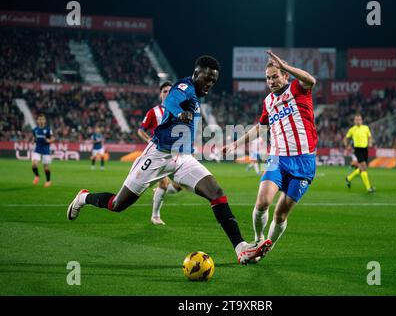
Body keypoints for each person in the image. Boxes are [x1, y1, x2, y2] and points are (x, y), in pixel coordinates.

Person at [67, 55, 272, 264]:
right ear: (196, 74)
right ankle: (84, 198)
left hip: (182, 158)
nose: (210, 84)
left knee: (217, 193)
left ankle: (241, 248)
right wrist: (181, 113)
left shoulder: (196, 95)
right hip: (158, 156)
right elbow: (171, 101)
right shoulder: (185, 86)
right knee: (117, 204)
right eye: (207, 79)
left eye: (213, 81)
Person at [224, 50, 318, 259]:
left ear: (285, 75)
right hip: (277, 159)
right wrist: (235, 144)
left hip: (303, 162)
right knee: (262, 202)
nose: (271, 81)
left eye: (275, 76)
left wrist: (286, 66)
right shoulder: (268, 101)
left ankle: (268, 245)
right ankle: (258, 239)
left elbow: (311, 79)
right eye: (268, 78)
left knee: (280, 213)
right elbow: (260, 127)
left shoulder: (297, 89)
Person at [137, 81, 182, 225]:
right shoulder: (154, 112)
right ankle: (155, 216)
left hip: (175, 153)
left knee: (177, 187)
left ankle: (158, 191)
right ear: (160, 94)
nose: (167, 94)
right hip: (158, 153)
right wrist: (149, 140)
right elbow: (141, 130)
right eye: (164, 91)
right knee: (164, 182)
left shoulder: (179, 112)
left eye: (170, 91)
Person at [343, 115, 375, 193]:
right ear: (354, 121)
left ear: (362, 120)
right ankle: (368, 188)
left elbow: (370, 137)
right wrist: (347, 146)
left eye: (359, 119)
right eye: (356, 120)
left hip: (365, 149)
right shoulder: (352, 129)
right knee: (364, 167)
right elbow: (345, 138)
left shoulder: (366, 128)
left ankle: (349, 178)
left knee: (362, 168)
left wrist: (370, 142)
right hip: (358, 150)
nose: (358, 121)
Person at [31, 114, 55, 187]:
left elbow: (53, 138)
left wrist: (49, 140)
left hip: (45, 150)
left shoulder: (48, 130)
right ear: (37, 121)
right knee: (34, 165)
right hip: (37, 149)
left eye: (42, 119)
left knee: (46, 168)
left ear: (44, 121)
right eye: (40, 119)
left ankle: (48, 181)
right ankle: (37, 176)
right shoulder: (35, 130)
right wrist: (33, 140)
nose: (41, 121)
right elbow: (34, 138)